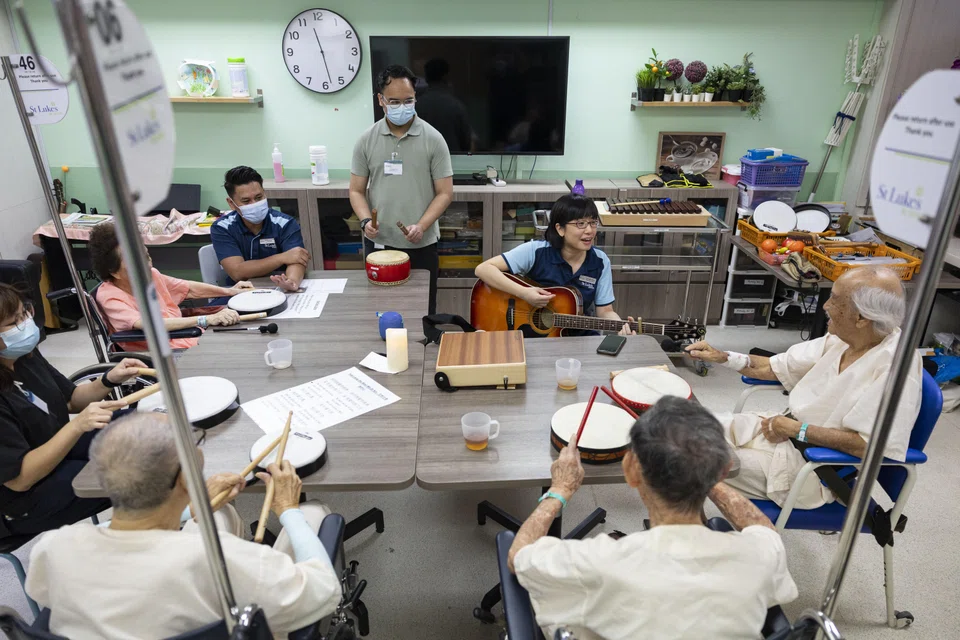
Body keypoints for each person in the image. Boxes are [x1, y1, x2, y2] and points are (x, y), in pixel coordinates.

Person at [26, 413, 340, 638]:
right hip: (235, 617)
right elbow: (324, 590)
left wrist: (191, 510)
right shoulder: (221, 561)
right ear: (184, 481)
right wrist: (288, 509)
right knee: (313, 515)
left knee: (217, 515)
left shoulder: (53, 547)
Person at [508, 397, 797, 640]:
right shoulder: (758, 555)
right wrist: (703, 472)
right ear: (724, 471)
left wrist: (560, 489)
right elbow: (762, 528)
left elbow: (518, 554)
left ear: (631, 470)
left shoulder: (597, 561)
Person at [685, 266, 922, 509]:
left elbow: (870, 446)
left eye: (836, 299)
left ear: (862, 318)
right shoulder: (844, 339)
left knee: (689, 459)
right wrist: (722, 356)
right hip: (781, 433)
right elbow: (775, 367)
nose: (825, 305)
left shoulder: (896, 368)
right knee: (682, 430)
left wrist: (797, 429)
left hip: (813, 469)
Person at [0, 283, 147, 538]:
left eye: (25, 314)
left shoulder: (24, 357)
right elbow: (19, 479)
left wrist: (109, 378)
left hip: (56, 450)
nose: (25, 325)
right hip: (20, 499)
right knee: (142, 473)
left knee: (146, 429)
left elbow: (72, 400)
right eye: (14, 322)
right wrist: (76, 426)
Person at [350, 65, 455, 315]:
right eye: (394, 101)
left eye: (408, 100)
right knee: (381, 309)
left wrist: (422, 225)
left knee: (422, 311)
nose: (402, 107)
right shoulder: (366, 140)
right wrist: (365, 221)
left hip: (422, 243)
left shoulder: (433, 139)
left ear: (416, 98)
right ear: (381, 100)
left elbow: (445, 192)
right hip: (380, 244)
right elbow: (356, 190)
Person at [475, 194, 635, 336]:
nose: (589, 230)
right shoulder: (536, 250)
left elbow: (605, 311)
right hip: (531, 335)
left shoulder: (600, 260)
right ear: (560, 229)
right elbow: (483, 269)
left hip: (578, 334)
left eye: (593, 223)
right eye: (581, 224)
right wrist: (524, 293)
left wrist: (619, 325)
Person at [89, 222, 253, 352]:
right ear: (115, 272)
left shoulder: (150, 274)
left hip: (186, 336)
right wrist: (206, 319)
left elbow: (188, 288)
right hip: (160, 352)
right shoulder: (110, 297)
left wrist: (231, 291)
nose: (147, 266)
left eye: (146, 257)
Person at [212, 166, 310, 292]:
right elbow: (237, 272)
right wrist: (282, 257)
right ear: (231, 203)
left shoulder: (285, 223)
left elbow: (296, 258)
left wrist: (291, 281)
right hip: (240, 291)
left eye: (259, 197)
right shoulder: (222, 228)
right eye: (246, 201)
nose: (255, 204)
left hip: (279, 289)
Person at [415, 58, 473, 154]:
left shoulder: (416, 107)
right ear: (446, 76)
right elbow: (466, 144)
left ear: (426, 77)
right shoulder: (456, 106)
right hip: (452, 163)